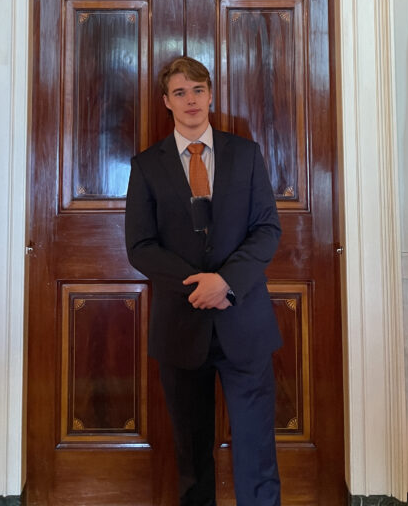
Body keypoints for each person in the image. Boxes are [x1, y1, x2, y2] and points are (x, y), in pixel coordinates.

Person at [125, 56, 282, 506]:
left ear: (211, 95)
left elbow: (267, 229)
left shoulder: (246, 155)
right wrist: (198, 284)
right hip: (181, 326)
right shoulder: (147, 166)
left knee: (257, 451)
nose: (190, 100)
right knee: (192, 457)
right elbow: (140, 246)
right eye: (179, 92)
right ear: (166, 102)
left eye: (197, 90)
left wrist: (225, 283)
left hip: (244, 323)